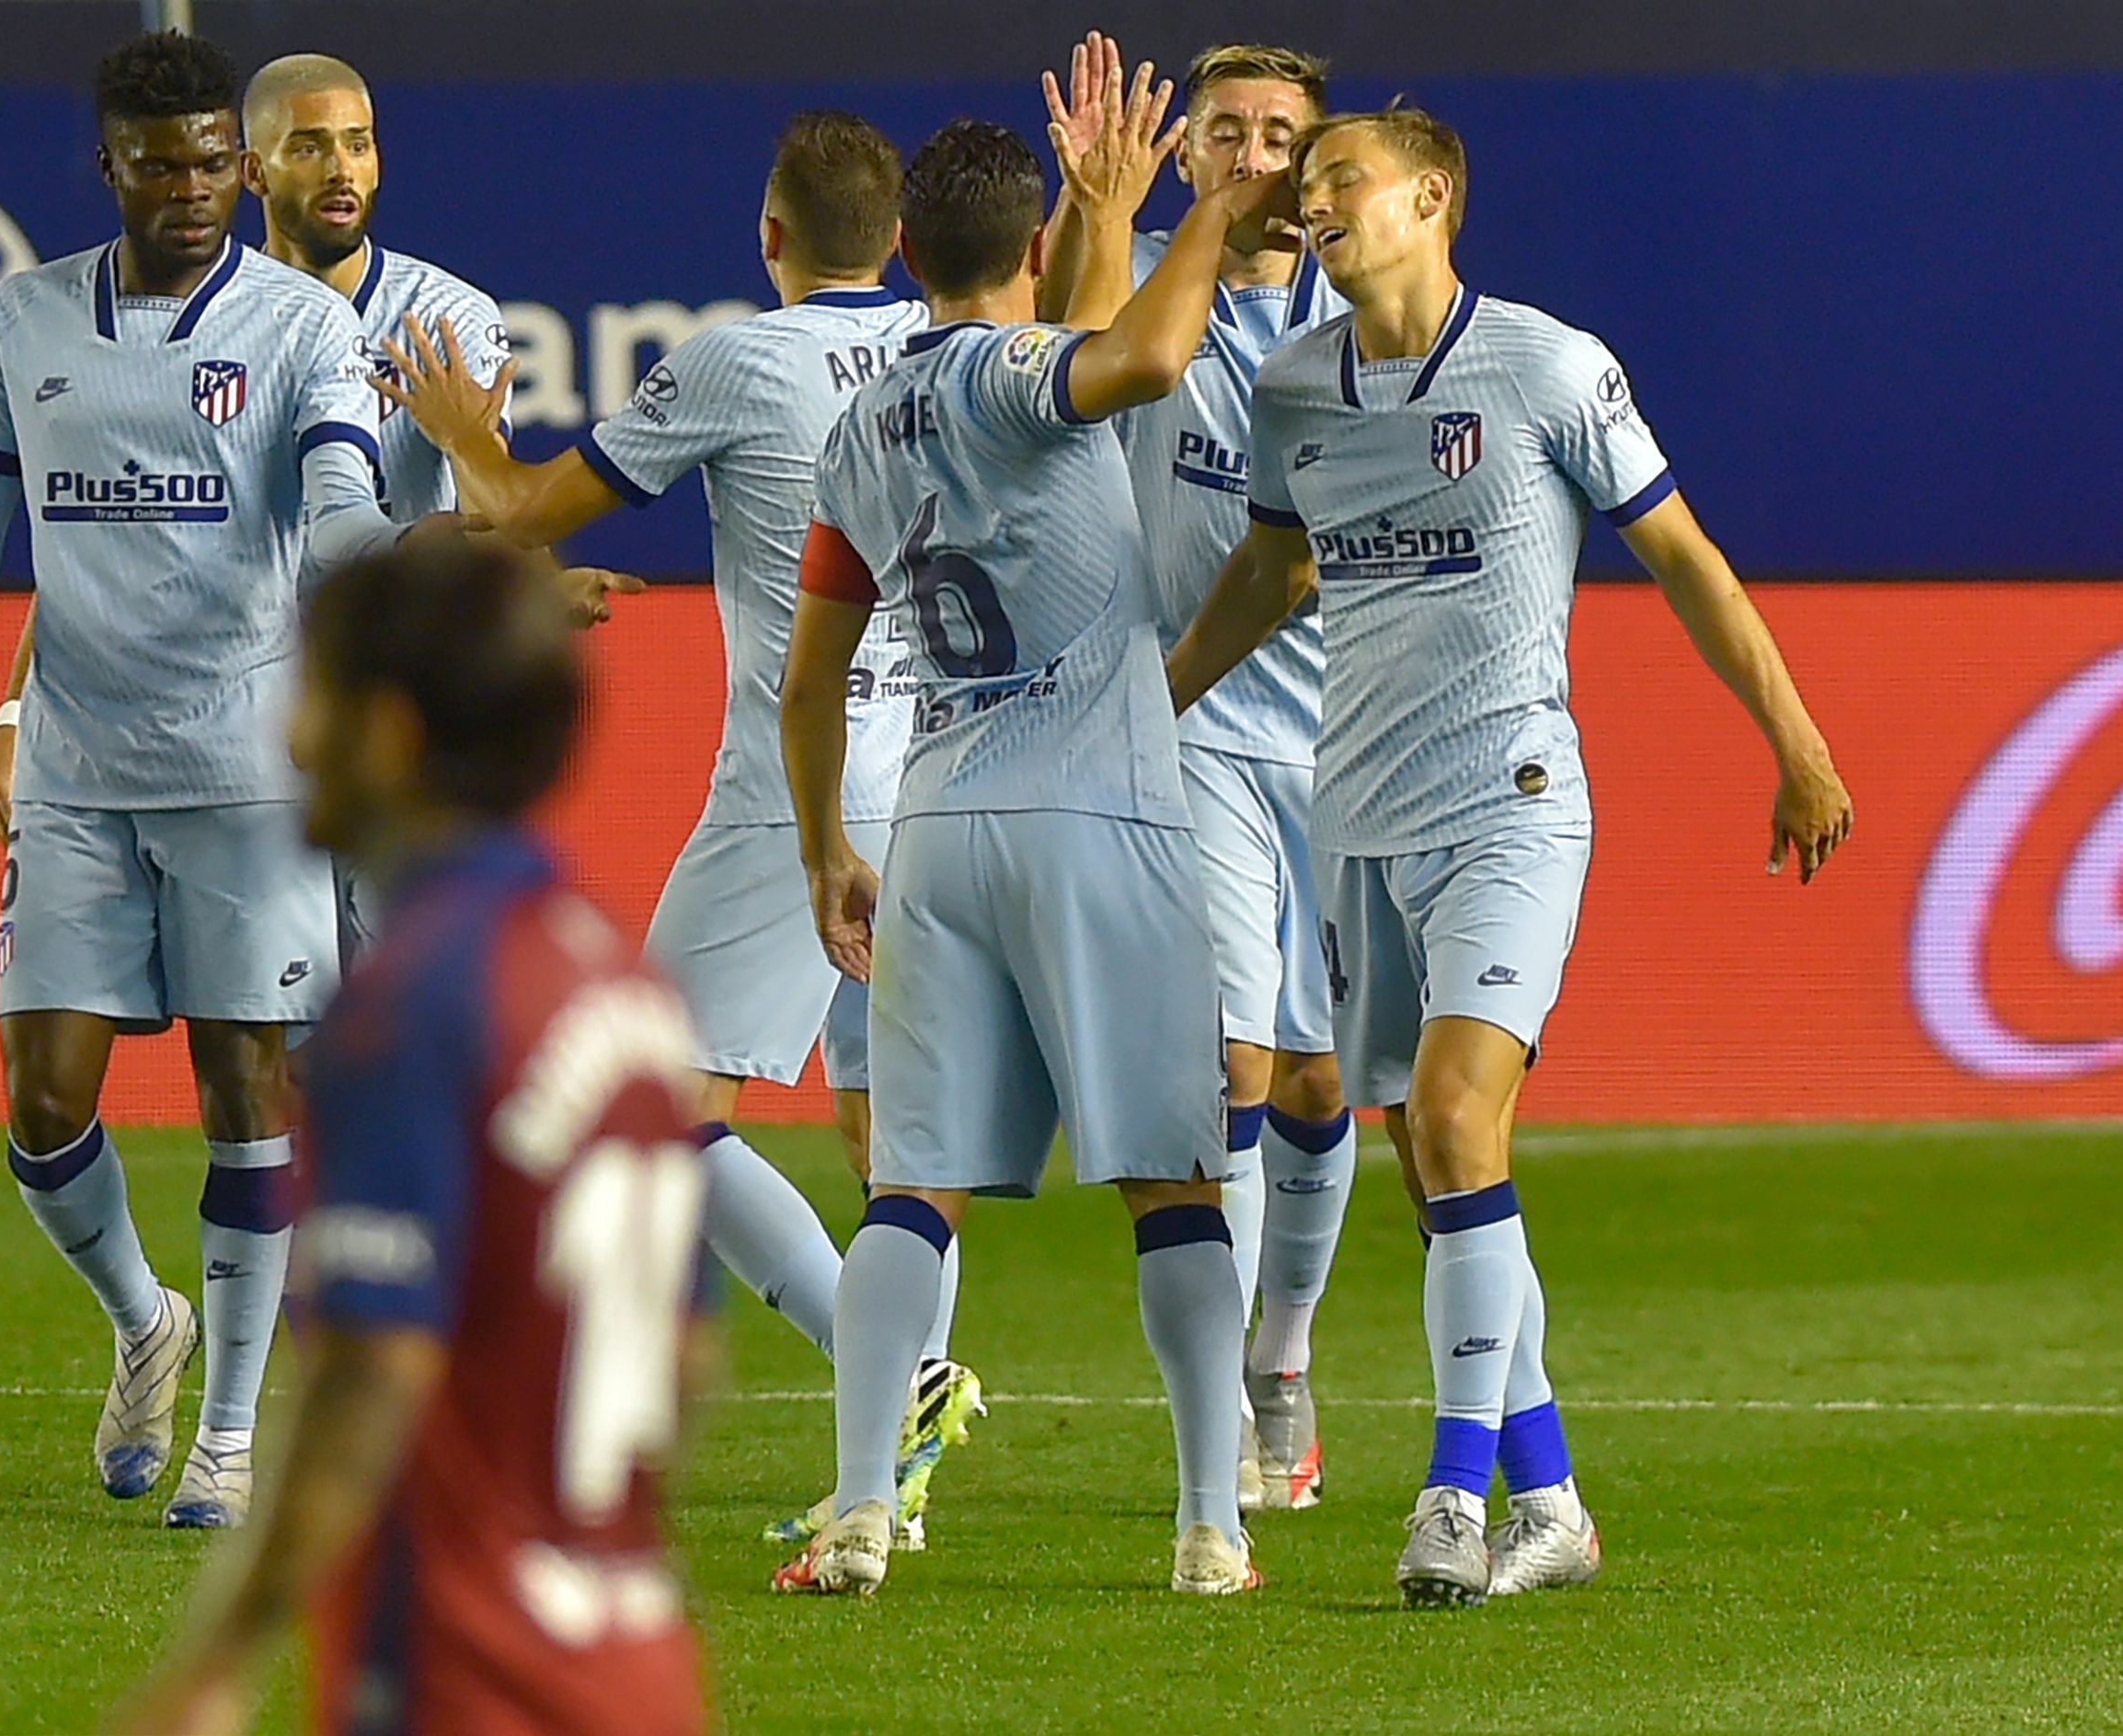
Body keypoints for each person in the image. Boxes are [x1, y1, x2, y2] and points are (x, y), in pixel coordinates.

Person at [1167, 106, 1855, 1605]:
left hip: (1511, 801)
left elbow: (1682, 556)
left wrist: (1795, 741)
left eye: (1341, 177)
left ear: (1430, 199)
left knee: (1464, 1120)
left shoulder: (1546, 364)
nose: (1317, 199)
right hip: (1354, 819)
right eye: (1310, 186)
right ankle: (1552, 1498)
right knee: (1430, 1162)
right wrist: (1150, 700)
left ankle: (1451, 1501)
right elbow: (1272, 568)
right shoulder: (1294, 387)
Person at [0, 29, 407, 1530]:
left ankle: (224, 1433)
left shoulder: (294, 327)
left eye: (219, 160)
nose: (198, 186)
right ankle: (146, 1316)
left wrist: (418, 566)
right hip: (81, 772)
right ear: (112, 170)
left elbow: (338, 510)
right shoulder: (25, 317)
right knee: (41, 1096)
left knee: (244, 1083)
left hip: (243, 772)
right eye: (166, 165)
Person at [377, 111, 982, 1548]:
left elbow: (519, 511)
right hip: (958, 769)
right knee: (899, 1129)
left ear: (768, 237)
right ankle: (888, 1461)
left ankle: (886, 1380)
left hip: (803, 787)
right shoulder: (949, 354)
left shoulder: (735, 361)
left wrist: (464, 433)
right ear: (895, 240)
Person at [774, 108, 1275, 1599]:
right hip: (1097, 820)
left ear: (908, 254)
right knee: (1173, 1180)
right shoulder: (1027, 375)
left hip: (935, 826)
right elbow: (1137, 359)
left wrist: (823, 854)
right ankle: (1208, 1523)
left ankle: (861, 1503)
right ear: (1035, 253)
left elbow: (810, 680)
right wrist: (1204, 208)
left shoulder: (860, 426)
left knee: (911, 1190)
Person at [110, 535, 711, 1736]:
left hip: (464, 1670)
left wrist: (217, 1658)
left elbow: (370, 1373)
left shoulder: (410, 1007)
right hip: (636, 1655)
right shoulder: (625, 993)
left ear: (387, 735)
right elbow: (687, 1359)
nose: (288, 736)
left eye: (310, 690)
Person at [0, 51, 624, 848]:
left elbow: (491, 510)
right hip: (222, 730)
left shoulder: (441, 318)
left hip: (387, 723)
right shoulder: (182, 316)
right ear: (251, 169)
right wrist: (15, 710)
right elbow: (107, 531)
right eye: (310, 146)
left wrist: (533, 575)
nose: (340, 169)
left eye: (358, 143)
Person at [1042, 33, 1358, 1515]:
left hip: (1352, 733)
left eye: (1276, 135)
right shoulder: (1151, 280)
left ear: (1315, 155)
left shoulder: (1360, 308)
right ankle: (1231, 1403)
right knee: (1231, 1063)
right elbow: (1057, 363)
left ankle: (1284, 1348)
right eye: (1222, 131)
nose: (1248, 157)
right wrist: (1095, 210)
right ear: (1186, 155)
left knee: (1321, 1077)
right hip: (1190, 725)